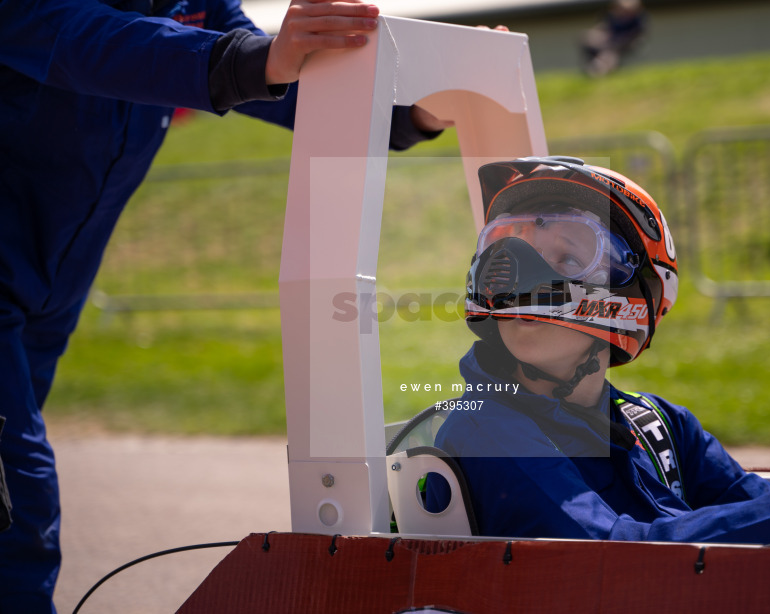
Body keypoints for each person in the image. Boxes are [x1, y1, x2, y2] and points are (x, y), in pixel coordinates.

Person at [0, 1, 449, 610]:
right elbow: (88, 42)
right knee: (19, 508)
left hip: (42, 300)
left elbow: (286, 78)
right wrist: (257, 59)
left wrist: (413, 111)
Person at [427, 156, 770, 547]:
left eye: (569, 256)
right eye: (507, 247)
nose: (516, 271)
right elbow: (615, 555)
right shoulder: (482, 426)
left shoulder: (661, 424)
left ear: (636, 295)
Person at [580, 0, 647, 77]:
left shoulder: (637, 20)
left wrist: (616, 40)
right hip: (609, 41)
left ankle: (601, 69)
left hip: (625, 43)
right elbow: (603, 27)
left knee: (609, 52)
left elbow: (634, 35)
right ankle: (595, 66)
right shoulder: (612, 17)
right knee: (588, 38)